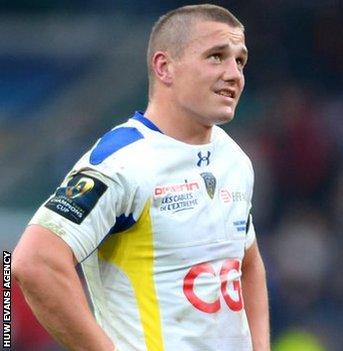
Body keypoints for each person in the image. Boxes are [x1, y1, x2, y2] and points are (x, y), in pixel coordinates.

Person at [12, 4, 269, 351]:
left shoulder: (234, 158)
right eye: (216, 56)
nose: (234, 73)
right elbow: (33, 262)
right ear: (165, 68)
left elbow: (247, 261)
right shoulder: (122, 161)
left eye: (240, 61)